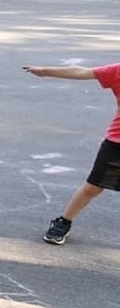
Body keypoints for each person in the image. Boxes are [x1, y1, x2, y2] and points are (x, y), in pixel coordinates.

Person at [23, 63, 120, 245]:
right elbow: (82, 71)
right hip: (117, 142)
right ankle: (63, 221)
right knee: (93, 187)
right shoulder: (118, 71)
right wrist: (45, 70)